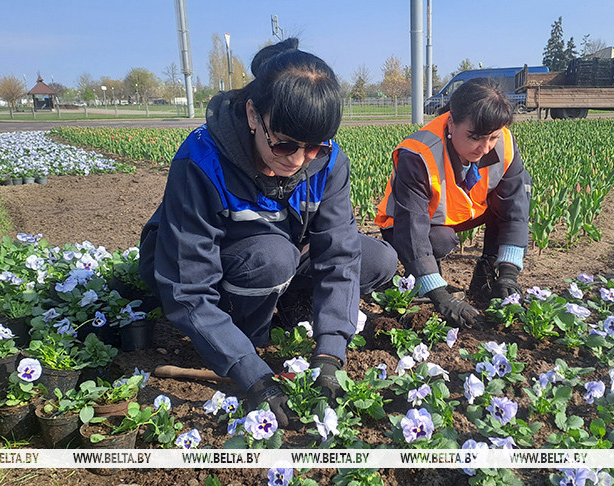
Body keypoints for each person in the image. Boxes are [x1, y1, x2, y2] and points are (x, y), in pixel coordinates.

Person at [139, 38, 397, 427]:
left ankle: (285, 308)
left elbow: (340, 255)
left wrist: (329, 355)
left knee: (378, 259)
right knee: (272, 259)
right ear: (253, 115)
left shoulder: (328, 161)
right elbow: (187, 288)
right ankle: (247, 336)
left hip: (282, 250)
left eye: (313, 147)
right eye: (285, 145)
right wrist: (253, 376)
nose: (298, 160)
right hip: (213, 265)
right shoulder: (201, 161)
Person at [375, 77, 531, 328]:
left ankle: (487, 273)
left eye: (492, 137)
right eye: (475, 137)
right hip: (407, 224)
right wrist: (439, 294)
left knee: (517, 192)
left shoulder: (504, 145)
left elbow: (515, 208)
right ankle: (421, 283)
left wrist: (509, 273)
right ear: (450, 122)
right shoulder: (418, 154)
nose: (484, 148)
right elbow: (411, 229)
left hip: (463, 211)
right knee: (440, 239)